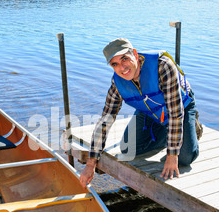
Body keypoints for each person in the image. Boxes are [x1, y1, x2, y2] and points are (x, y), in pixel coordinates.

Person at [79, 38, 203, 188]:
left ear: (135, 55)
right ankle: (169, 132)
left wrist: (172, 155)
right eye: (115, 64)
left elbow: (175, 113)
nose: (122, 67)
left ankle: (192, 127)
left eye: (124, 58)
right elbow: (105, 122)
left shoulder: (162, 66)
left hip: (180, 106)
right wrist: (90, 163)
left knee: (184, 157)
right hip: (149, 110)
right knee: (128, 148)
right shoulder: (116, 84)